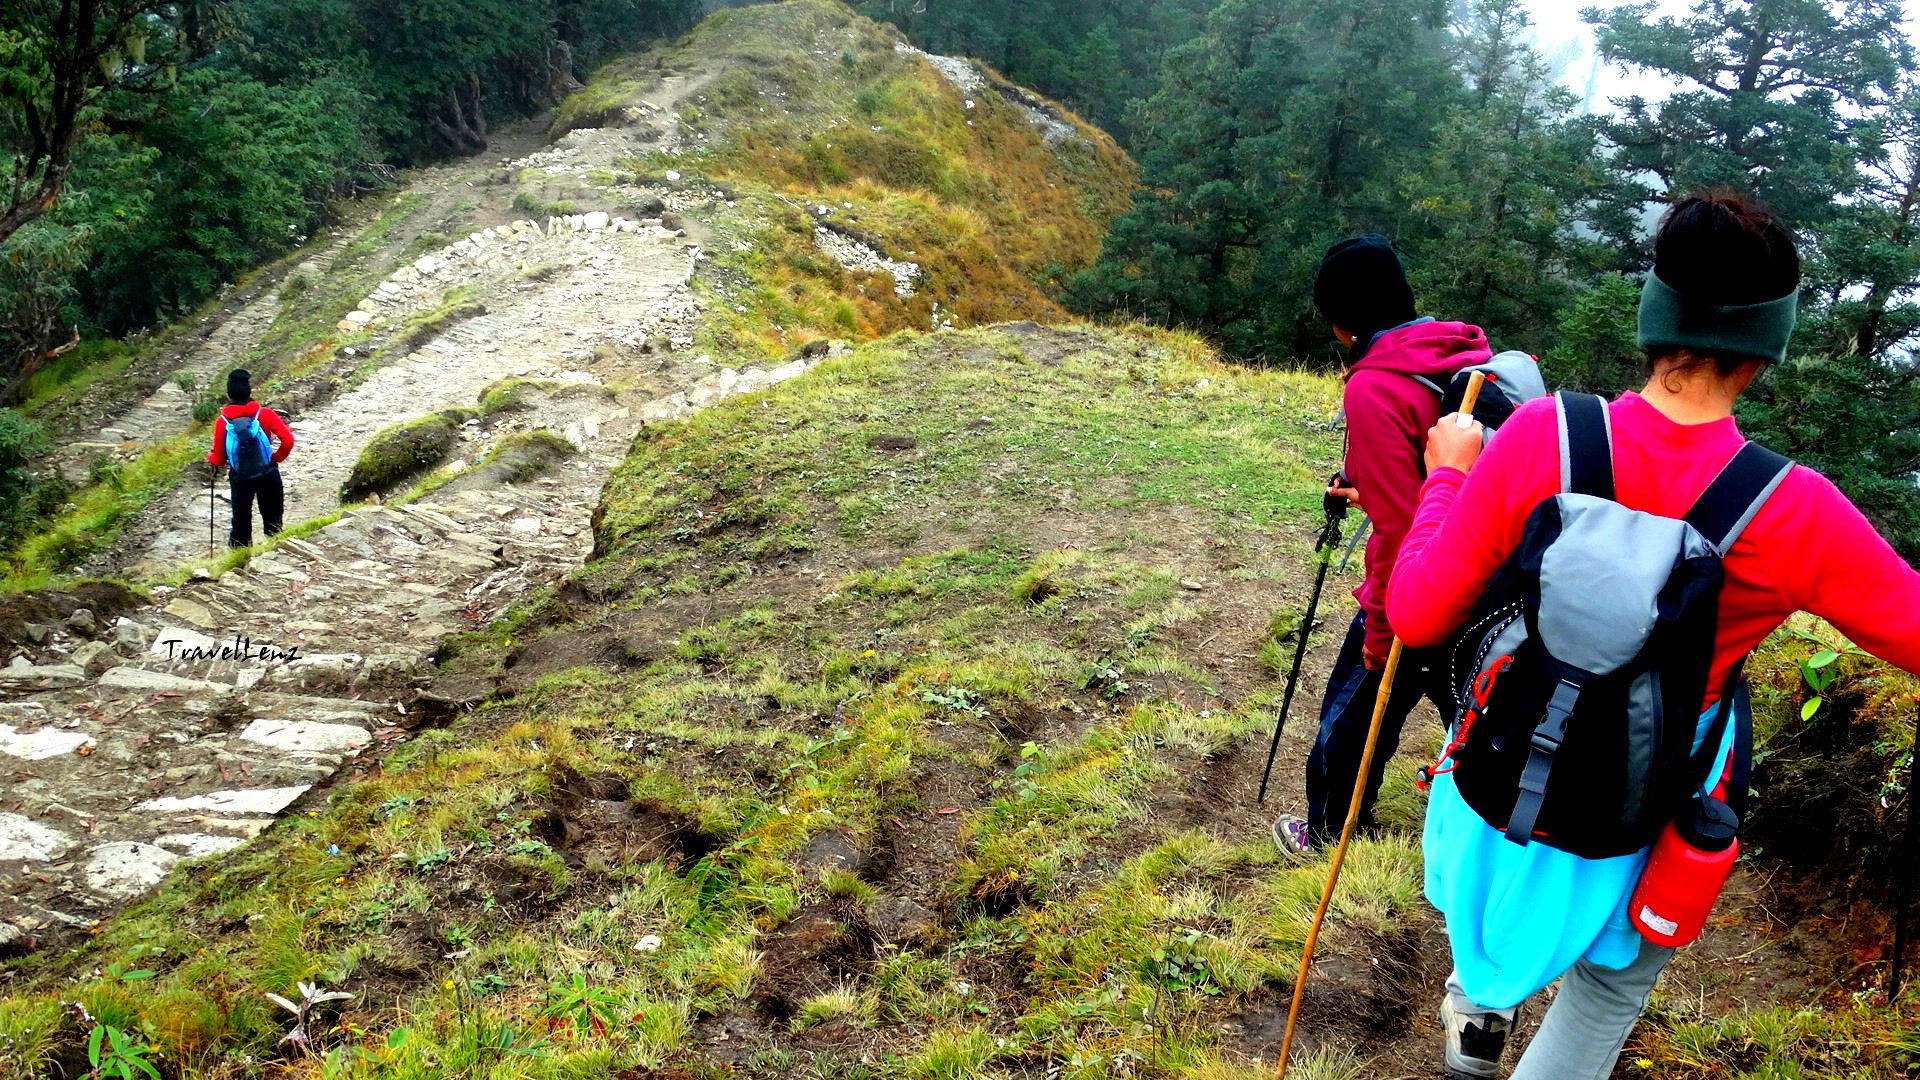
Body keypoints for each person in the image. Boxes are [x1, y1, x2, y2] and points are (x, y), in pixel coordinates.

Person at [1387, 192, 1920, 1079]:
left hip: (1501, 773)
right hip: (1641, 818)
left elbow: (1416, 616)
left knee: (1489, 931)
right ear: (1766, 346)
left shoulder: (1539, 436)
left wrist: (1445, 479)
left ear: (1655, 312)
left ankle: (1474, 1040)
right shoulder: (1796, 511)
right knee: (1607, 990)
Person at [1273, 235, 1493, 856]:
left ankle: (1326, 832)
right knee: (1476, 718)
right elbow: (1443, 473)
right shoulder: (1462, 355)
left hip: (1422, 586)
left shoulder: (1374, 385)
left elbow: (1400, 531)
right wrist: (1372, 490)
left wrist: (1379, 628)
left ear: (1342, 322)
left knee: (1352, 714)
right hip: (1493, 576)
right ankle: (1488, 836)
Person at [207, 368, 294, 548]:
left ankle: (240, 559)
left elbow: (219, 458)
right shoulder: (265, 414)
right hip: (268, 472)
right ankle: (276, 551)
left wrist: (211, 458)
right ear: (249, 391)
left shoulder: (222, 422)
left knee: (241, 521)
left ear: (229, 393)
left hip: (240, 478)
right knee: (273, 519)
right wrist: (275, 458)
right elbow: (288, 440)